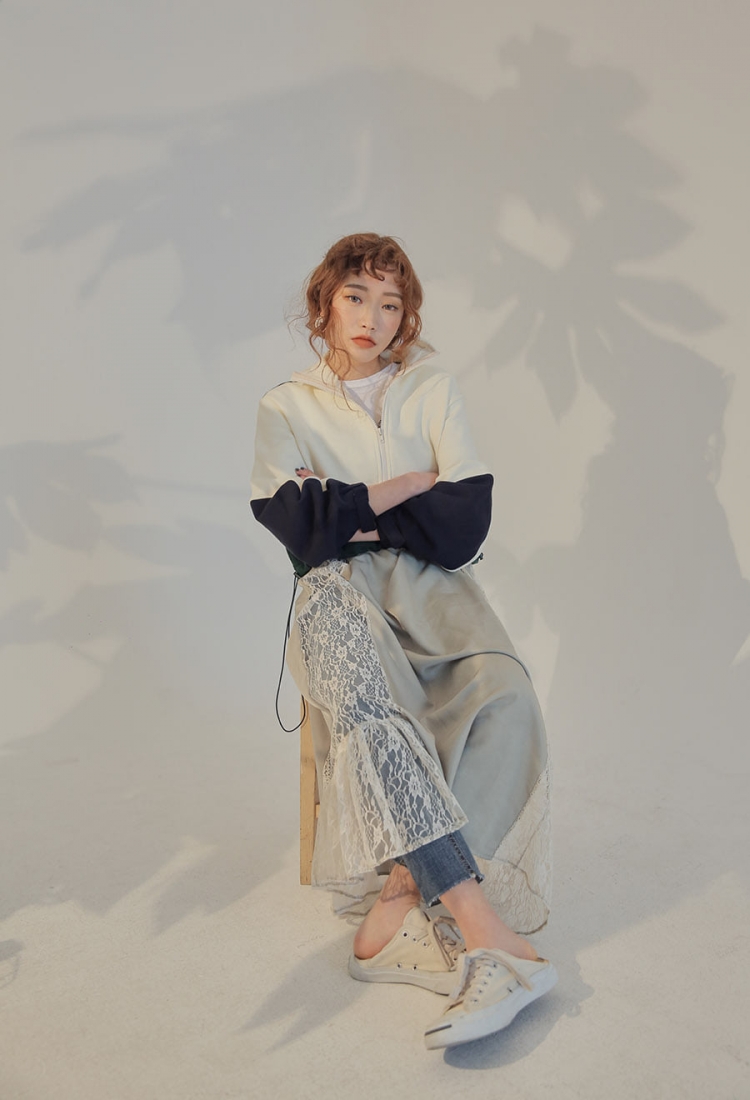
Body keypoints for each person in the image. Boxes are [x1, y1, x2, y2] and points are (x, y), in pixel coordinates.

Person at [250, 233, 557, 1049]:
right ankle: (491, 937)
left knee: (508, 696)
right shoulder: (286, 407)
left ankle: (395, 908)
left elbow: (463, 525)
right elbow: (300, 532)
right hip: (333, 594)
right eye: (356, 297)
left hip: (436, 592)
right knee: (372, 709)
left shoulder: (432, 387)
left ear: (405, 316)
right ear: (324, 303)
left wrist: (347, 506)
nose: (373, 317)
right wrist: (411, 486)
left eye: (391, 304)